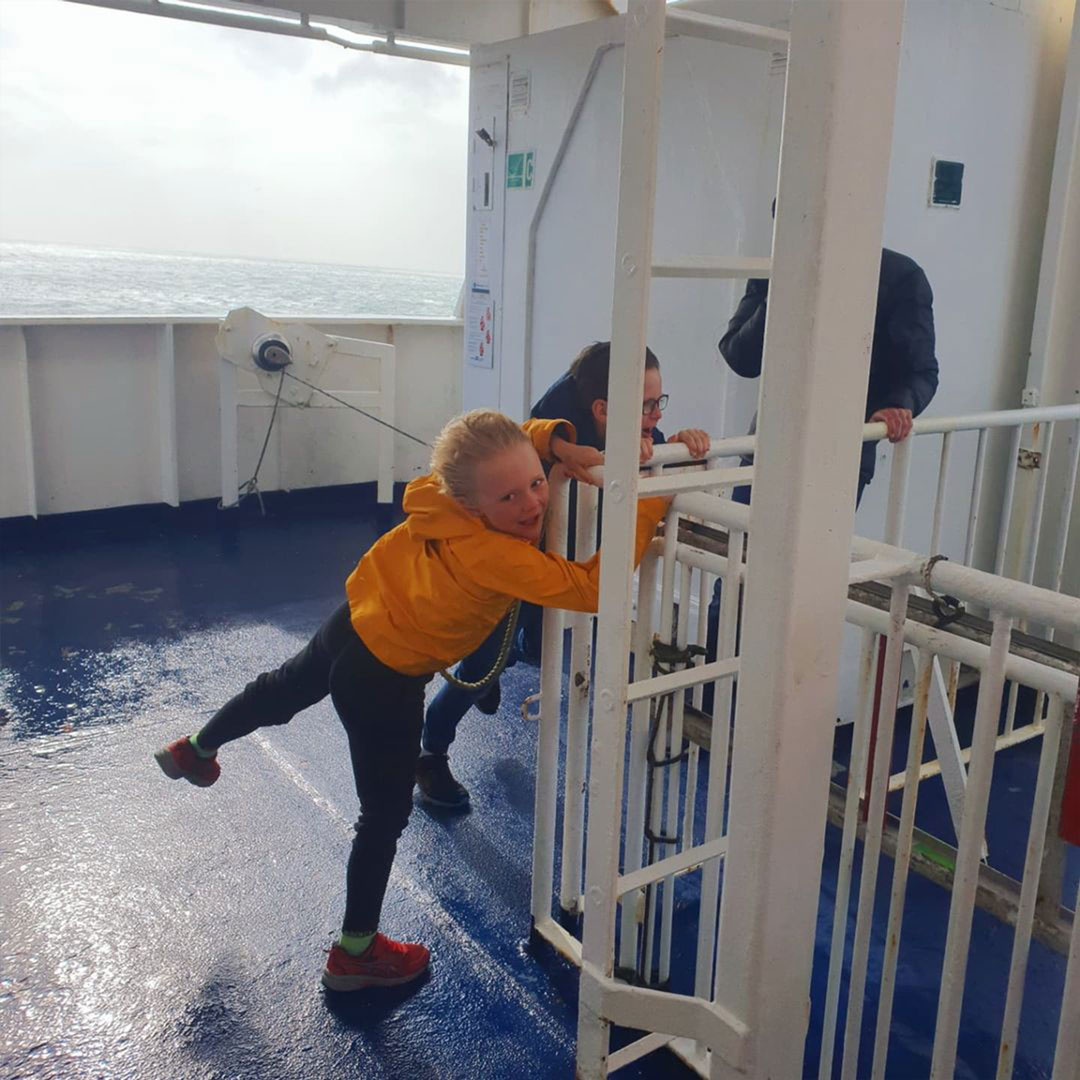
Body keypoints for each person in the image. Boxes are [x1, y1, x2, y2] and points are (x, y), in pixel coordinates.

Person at [154, 410, 668, 993]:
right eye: (509, 497)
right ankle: (355, 954)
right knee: (384, 816)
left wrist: (554, 441)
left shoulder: (434, 493)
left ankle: (196, 748)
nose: (532, 504)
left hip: (354, 620)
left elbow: (507, 444)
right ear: (475, 508)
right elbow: (591, 587)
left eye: (535, 482)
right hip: (385, 679)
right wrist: (654, 502)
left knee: (278, 691)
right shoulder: (496, 555)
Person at [417, 342, 710, 808]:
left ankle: (502, 662)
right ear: (600, 408)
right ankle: (431, 752)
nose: (656, 415)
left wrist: (684, 449)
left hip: (555, 564)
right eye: (647, 406)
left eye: (660, 403)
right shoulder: (556, 419)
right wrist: (564, 448)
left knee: (530, 648)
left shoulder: (638, 426)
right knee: (480, 666)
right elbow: (524, 434)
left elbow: (661, 461)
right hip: (509, 567)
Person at [701, 245, 939, 708]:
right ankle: (718, 705)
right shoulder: (774, 264)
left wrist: (901, 401)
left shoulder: (899, 276)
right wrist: (782, 283)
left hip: (841, 457)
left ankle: (782, 712)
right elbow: (740, 356)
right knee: (736, 572)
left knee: (805, 584)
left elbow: (922, 371)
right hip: (768, 448)